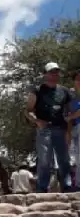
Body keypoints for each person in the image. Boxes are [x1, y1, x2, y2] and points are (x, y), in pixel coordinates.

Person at [27, 62, 73, 193]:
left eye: (56, 72)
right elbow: (28, 110)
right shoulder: (37, 91)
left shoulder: (65, 91)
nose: (54, 74)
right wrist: (37, 121)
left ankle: (67, 185)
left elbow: (68, 113)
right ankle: (42, 188)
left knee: (64, 158)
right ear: (45, 74)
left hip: (61, 129)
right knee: (45, 159)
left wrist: (68, 131)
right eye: (51, 72)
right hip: (44, 129)